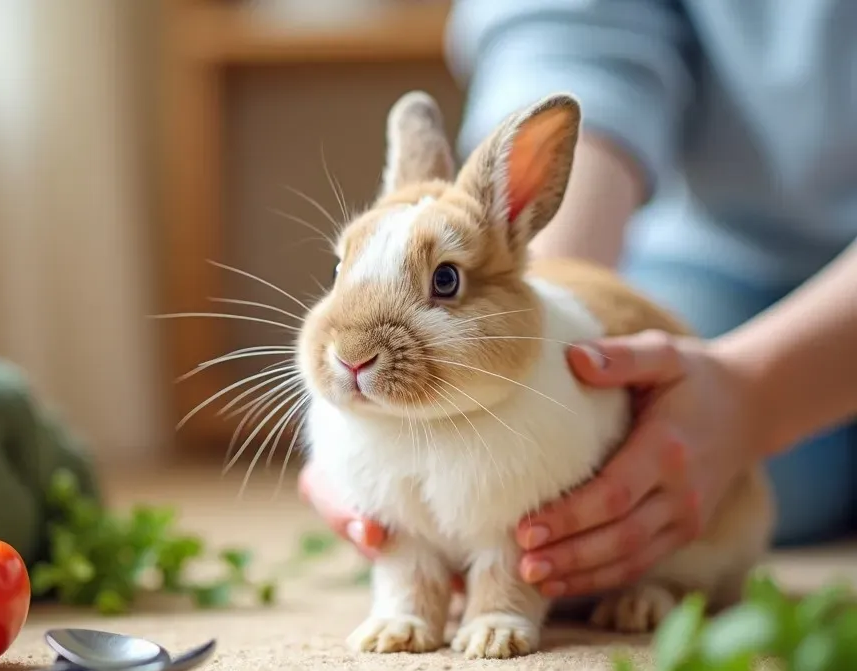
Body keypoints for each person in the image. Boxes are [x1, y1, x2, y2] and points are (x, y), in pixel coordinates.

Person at [300, 0, 857, 600]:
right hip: (723, 242)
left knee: (738, 494)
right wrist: (552, 296)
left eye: (444, 282)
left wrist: (756, 399)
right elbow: (578, 32)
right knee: (704, 463)